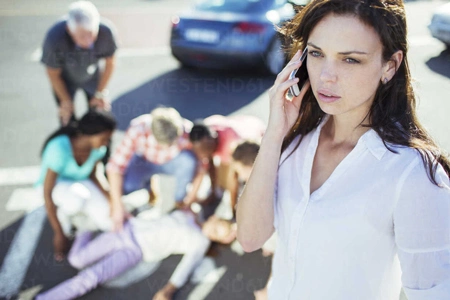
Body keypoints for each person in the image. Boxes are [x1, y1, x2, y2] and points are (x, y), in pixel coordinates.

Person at [237, 0, 450, 299]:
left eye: (350, 59)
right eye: (316, 53)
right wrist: (274, 134)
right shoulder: (296, 140)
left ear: (390, 65)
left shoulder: (414, 175)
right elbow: (249, 238)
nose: (326, 75)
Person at [35, 209, 237, 300]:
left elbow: (187, 265)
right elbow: (158, 214)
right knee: (76, 260)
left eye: (218, 236)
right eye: (219, 227)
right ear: (214, 217)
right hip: (127, 229)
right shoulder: (190, 213)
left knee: (90, 278)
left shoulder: (200, 241)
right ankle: (85, 228)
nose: (214, 232)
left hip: (135, 250)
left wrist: (169, 290)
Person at [36, 109, 116, 261]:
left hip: (80, 182)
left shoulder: (99, 149)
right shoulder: (59, 148)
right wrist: (59, 233)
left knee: (108, 221)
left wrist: (112, 200)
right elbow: (47, 192)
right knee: (75, 201)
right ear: (90, 133)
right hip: (57, 187)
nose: (106, 143)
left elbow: (93, 175)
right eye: (104, 138)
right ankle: (65, 219)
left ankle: (80, 224)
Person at [106, 107, 198, 231]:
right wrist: (117, 205)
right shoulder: (138, 129)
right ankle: (149, 190)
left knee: (189, 162)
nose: (165, 148)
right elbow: (115, 166)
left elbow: (202, 165)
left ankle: (180, 203)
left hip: (171, 163)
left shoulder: (187, 130)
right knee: (127, 186)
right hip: (145, 162)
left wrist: (190, 199)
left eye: (170, 144)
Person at [41, 0, 117, 125]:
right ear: (69, 30)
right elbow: (53, 73)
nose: (88, 41)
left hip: (92, 76)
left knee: (100, 116)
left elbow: (110, 63)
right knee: (67, 118)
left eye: (91, 34)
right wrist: (66, 101)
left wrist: (100, 92)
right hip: (65, 80)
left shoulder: (106, 32)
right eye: (82, 36)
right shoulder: (54, 38)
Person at [188, 115, 265, 210]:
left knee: (238, 181)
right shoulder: (205, 128)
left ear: (212, 139)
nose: (202, 156)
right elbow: (209, 160)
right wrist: (213, 193)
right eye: (199, 152)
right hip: (243, 123)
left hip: (255, 137)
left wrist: (233, 210)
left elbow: (234, 180)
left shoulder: (232, 144)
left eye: (205, 150)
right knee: (221, 182)